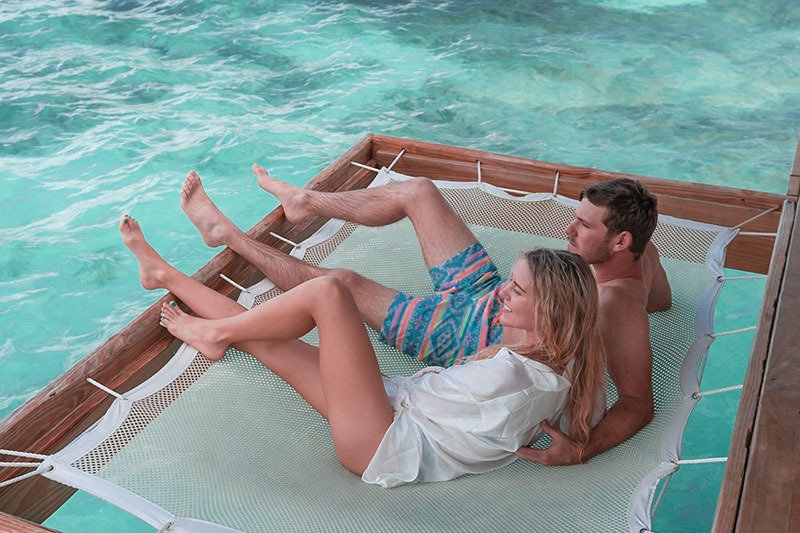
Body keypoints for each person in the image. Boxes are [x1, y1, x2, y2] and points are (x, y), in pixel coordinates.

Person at [180, 165, 672, 465]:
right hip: (496, 298)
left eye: (582, 226)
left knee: (343, 285)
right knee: (419, 191)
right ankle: (303, 201)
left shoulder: (614, 309)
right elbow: (663, 299)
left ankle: (230, 239)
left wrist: (582, 449)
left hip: (467, 334)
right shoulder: (640, 258)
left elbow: (635, 402)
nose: (568, 230)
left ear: (620, 240)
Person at [120, 215, 605, 488]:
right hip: (385, 421)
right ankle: (164, 276)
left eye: (516, 292)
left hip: (383, 439)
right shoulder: (560, 358)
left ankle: (215, 334)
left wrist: (349, 366)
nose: (500, 293)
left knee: (329, 294)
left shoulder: (515, 379)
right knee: (269, 343)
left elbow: (423, 400)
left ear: (551, 314)